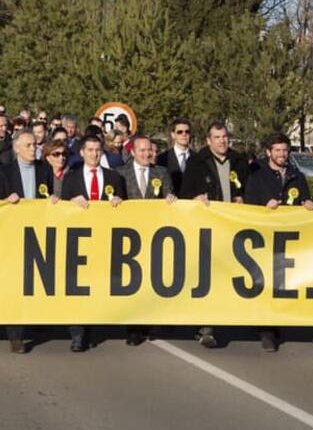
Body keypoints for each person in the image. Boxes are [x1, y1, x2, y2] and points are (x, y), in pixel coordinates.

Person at [243, 133, 313, 352]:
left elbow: (304, 199)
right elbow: (247, 206)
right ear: (268, 152)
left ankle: (282, 323)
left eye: (285, 150)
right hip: (264, 238)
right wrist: (265, 208)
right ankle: (267, 331)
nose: (282, 154)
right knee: (266, 283)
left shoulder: (297, 176)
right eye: (277, 150)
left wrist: (309, 203)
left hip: (289, 239)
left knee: (284, 283)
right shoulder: (257, 176)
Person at [180, 121, 248, 349]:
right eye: (217, 137)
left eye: (225, 137)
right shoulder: (197, 163)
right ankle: (205, 327)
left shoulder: (239, 161)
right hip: (206, 230)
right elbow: (184, 193)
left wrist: (242, 197)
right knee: (206, 279)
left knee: (229, 277)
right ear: (208, 140)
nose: (222, 141)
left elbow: (249, 188)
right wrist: (195, 198)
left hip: (233, 229)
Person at [59, 134, 126, 352]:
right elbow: (60, 207)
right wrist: (70, 203)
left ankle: (97, 325)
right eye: (90, 150)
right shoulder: (71, 178)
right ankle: (77, 333)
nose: (94, 154)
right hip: (79, 241)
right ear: (82, 152)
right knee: (78, 287)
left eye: (98, 150)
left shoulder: (114, 177)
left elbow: (128, 209)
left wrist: (119, 202)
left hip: (106, 240)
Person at [0, 130, 54, 353]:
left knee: (36, 281)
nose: (33, 149)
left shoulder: (44, 170)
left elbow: (48, 197)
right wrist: (6, 201)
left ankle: (36, 320)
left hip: (38, 233)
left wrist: (54, 200)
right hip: (13, 235)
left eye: (35, 145)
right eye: (28, 145)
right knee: (16, 285)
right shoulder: (4, 173)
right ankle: (15, 334)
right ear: (16, 148)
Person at [118, 134, 177, 345]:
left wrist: (171, 199)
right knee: (132, 281)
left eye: (149, 150)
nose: (146, 154)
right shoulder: (120, 173)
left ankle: (149, 322)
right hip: (129, 236)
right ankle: (133, 327)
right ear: (133, 152)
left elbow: (170, 196)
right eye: (142, 150)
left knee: (150, 280)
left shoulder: (161, 173)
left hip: (154, 235)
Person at [156, 118, 193, 193]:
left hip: (192, 203)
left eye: (187, 131)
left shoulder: (198, 158)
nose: (184, 134)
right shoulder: (162, 159)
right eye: (180, 132)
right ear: (173, 135)